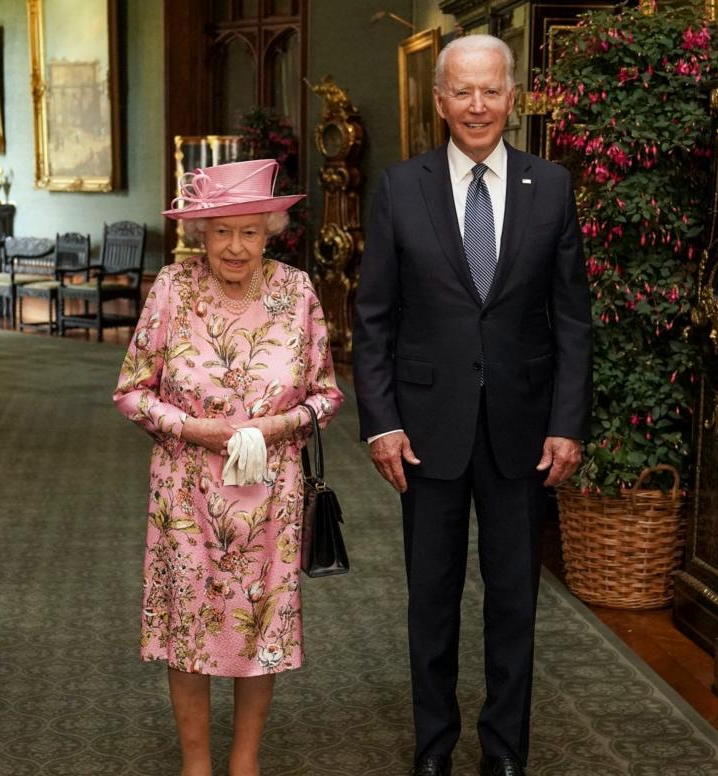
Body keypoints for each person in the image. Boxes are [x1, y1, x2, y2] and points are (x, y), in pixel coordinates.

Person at [352, 35, 591, 776]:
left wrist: (566, 423)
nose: (478, 105)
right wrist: (382, 421)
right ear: (439, 101)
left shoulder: (549, 186)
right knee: (432, 601)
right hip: (425, 432)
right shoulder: (399, 187)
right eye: (463, 92)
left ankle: (504, 752)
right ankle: (433, 749)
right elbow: (373, 318)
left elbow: (573, 319)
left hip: (523, 431)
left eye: (491, 90)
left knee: (514, 600)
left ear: (513, 96)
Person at [114, 159, 343, 776]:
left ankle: (245, 763)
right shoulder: (171, 288)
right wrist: (194, 428)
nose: (235, 246)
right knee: (189, 627)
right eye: (221, 231)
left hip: (272, 491)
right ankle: (196, 764)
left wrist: (276, 426)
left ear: (271, 229)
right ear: (202, 232)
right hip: (186, 489)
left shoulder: (297, 292)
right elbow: (132, 391)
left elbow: (326, 394)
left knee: (262, 628)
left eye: (249, 231)